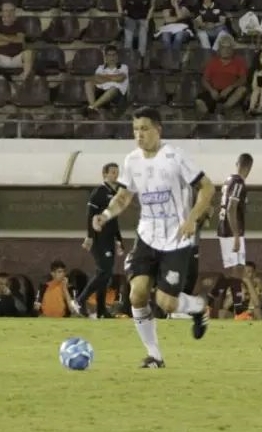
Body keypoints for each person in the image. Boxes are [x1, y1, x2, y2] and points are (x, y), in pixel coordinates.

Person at [92, 106, 214, 369]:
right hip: (147, 236)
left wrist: (192, 218)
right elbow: (124, 196)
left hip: (176, 240)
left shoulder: (175, 157)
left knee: (167, 303)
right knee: (137, 296)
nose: (139, 135)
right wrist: (105, 214)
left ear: (158, 130)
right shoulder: (132, 161)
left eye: (145, 129)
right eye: (135, 130)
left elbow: (207, 187)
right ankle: (155, 356)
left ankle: (199, 307)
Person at [72, 162, 125, 319]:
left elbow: (114, 220)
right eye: (112, 172)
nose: (115, 174)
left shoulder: (116, 193)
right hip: (98, 238)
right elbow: (90, 216)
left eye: (117, 172)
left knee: (106, 274)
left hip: (109, 238)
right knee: (104, 271)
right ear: (105, 174)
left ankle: (102, 310)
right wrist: (89, 236)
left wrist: (119, 240)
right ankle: (80, 300)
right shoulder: (99, 192)